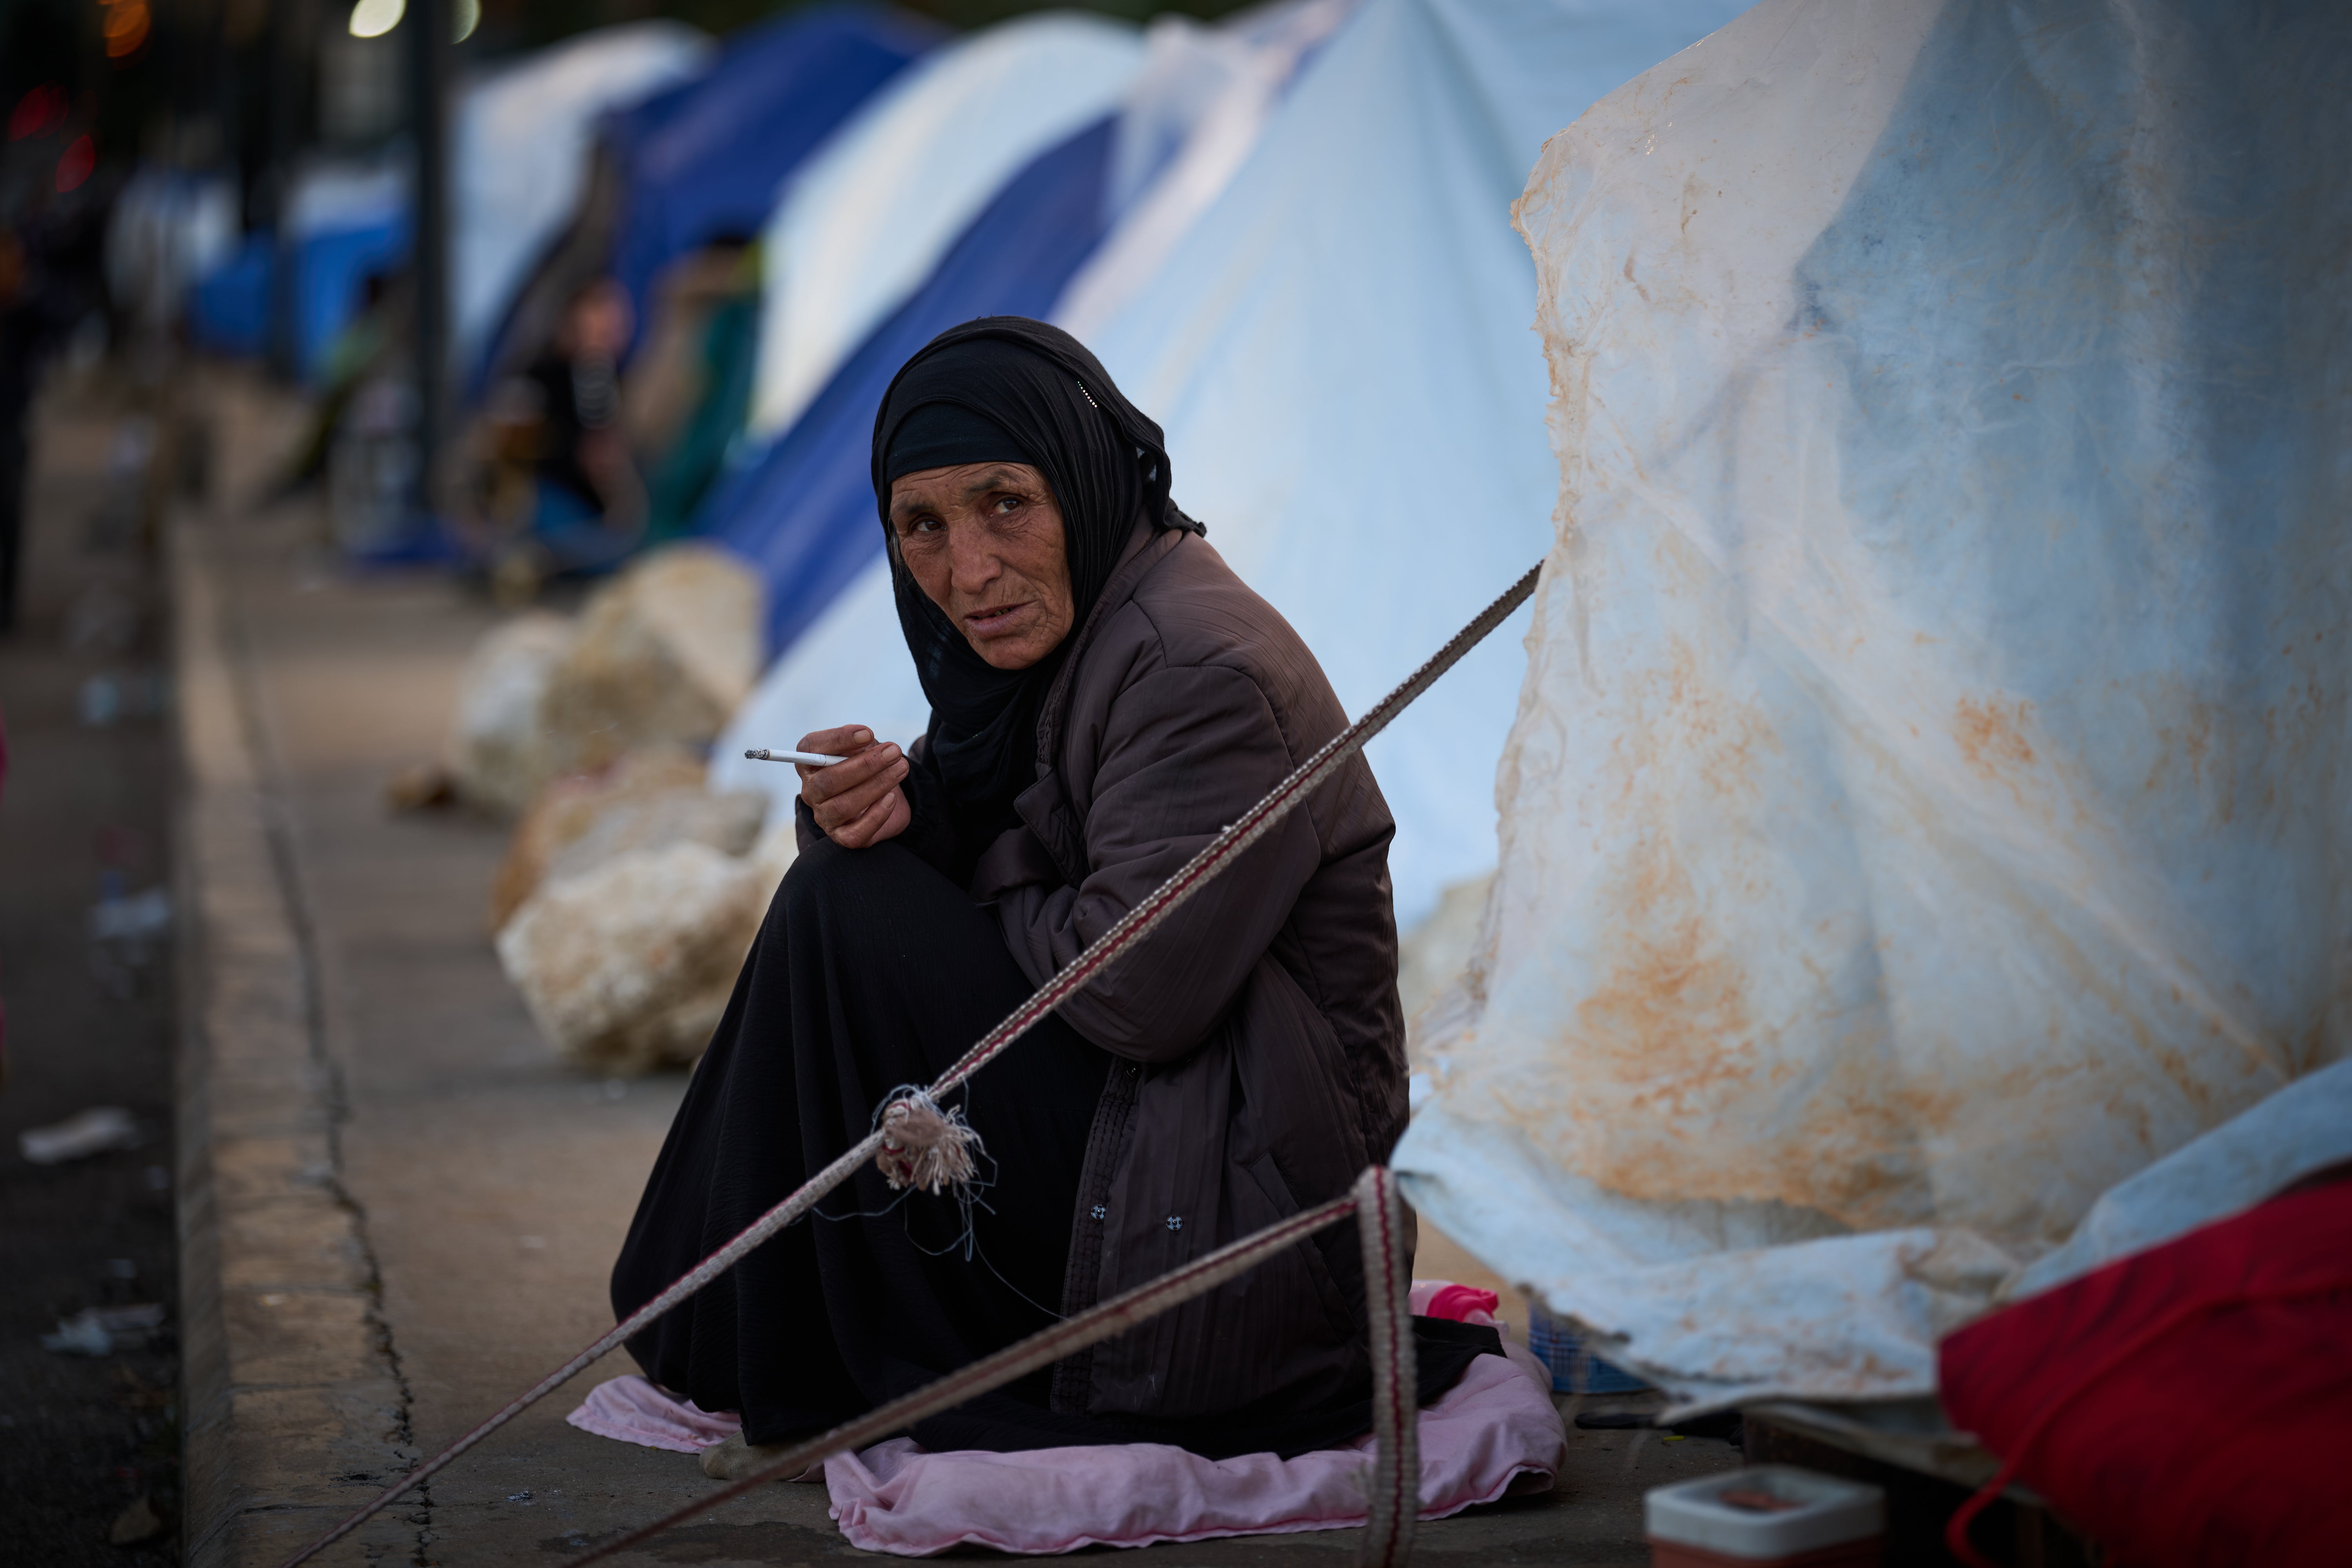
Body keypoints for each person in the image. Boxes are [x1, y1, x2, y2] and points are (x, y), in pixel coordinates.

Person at [612, 318, 1493, 1474]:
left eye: (1005, 506)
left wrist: (937, 884)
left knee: (852, 914)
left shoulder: (1194, 666)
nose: (967, 570)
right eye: (922, 527)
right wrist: (893, 815)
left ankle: (733, 1318)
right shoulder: (1056, 650)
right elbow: (1014, 845)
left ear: (1086, 483)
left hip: (1242, 1218)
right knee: (843, 886)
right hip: (1158, 1132)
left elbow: (1134, 991)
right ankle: (724, 1312)